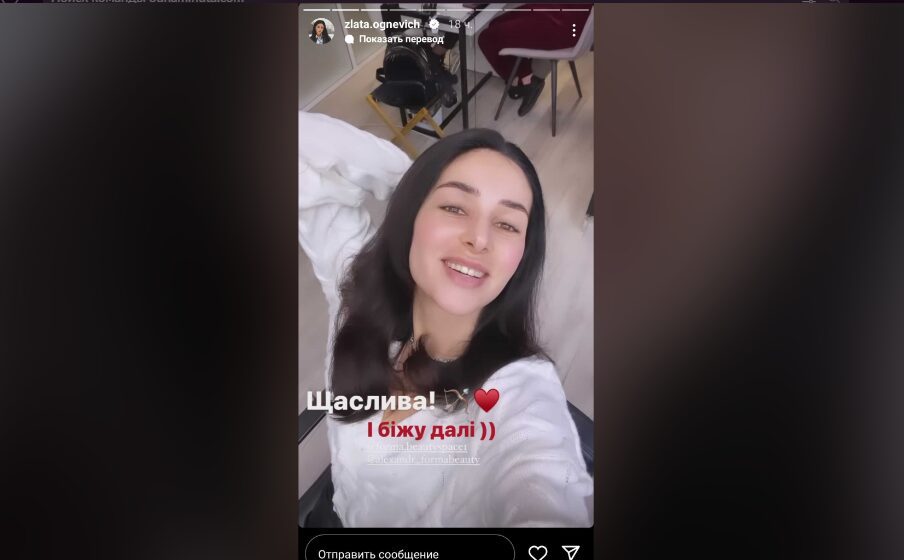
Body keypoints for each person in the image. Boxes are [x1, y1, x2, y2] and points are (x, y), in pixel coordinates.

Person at [299, 112, 593, 527]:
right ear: (413, 216)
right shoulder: (358, 300)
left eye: (507, 224)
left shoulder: (518, 393)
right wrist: (411, 177)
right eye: (454, 207)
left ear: (522, 257)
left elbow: (540, 483)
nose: (479, 238)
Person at [477, 4, 591, 116]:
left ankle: (526, 80)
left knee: (487, 38)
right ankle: (521, 76)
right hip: (564, 10)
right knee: (495, 23)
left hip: (567, 25)